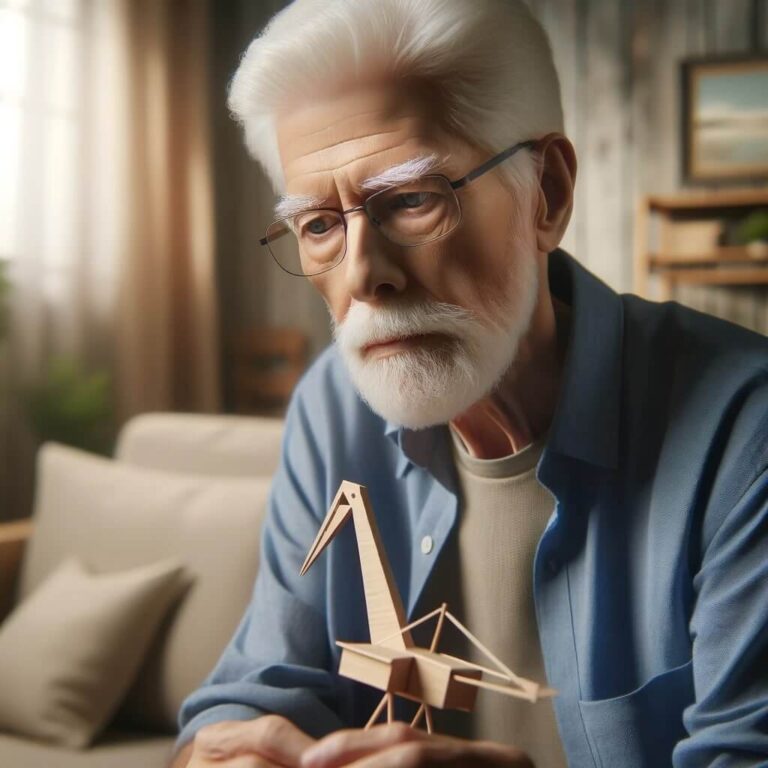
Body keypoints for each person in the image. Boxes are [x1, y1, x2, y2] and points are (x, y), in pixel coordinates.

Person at [171, 1, 768, 766]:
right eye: (319, 225)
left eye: (412, 200)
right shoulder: (331, 405)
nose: (363, 276)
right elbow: (253, 691)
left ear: (545, 194)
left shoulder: (742, 433)